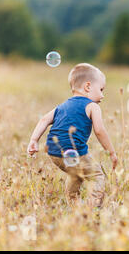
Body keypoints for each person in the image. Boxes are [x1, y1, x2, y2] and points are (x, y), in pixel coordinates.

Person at [27, 63, 118, 208]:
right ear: (88, 87)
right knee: (97, 176)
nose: (102, 95)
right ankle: (92, 206)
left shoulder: (62, 105)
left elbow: (44, 119)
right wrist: (111, 152)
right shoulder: (93, 106)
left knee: (76, 173)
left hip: (53, 152)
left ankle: (73, 202)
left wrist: (34, 140)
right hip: (74, 152)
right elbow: (100, 130)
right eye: (101, 89)